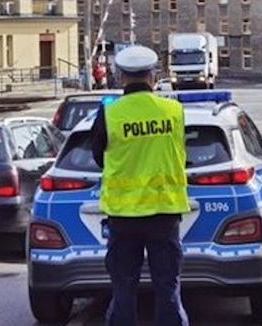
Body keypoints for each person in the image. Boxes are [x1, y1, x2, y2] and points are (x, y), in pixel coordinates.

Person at [91, 45, 190, 326]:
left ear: (121, 77)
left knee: (123, 289)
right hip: (164, 212)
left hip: (123, 216)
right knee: (168, 287)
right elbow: (181, 150)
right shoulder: (173, 110)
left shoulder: (109, 114)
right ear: (153, 76)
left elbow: (98, 157)